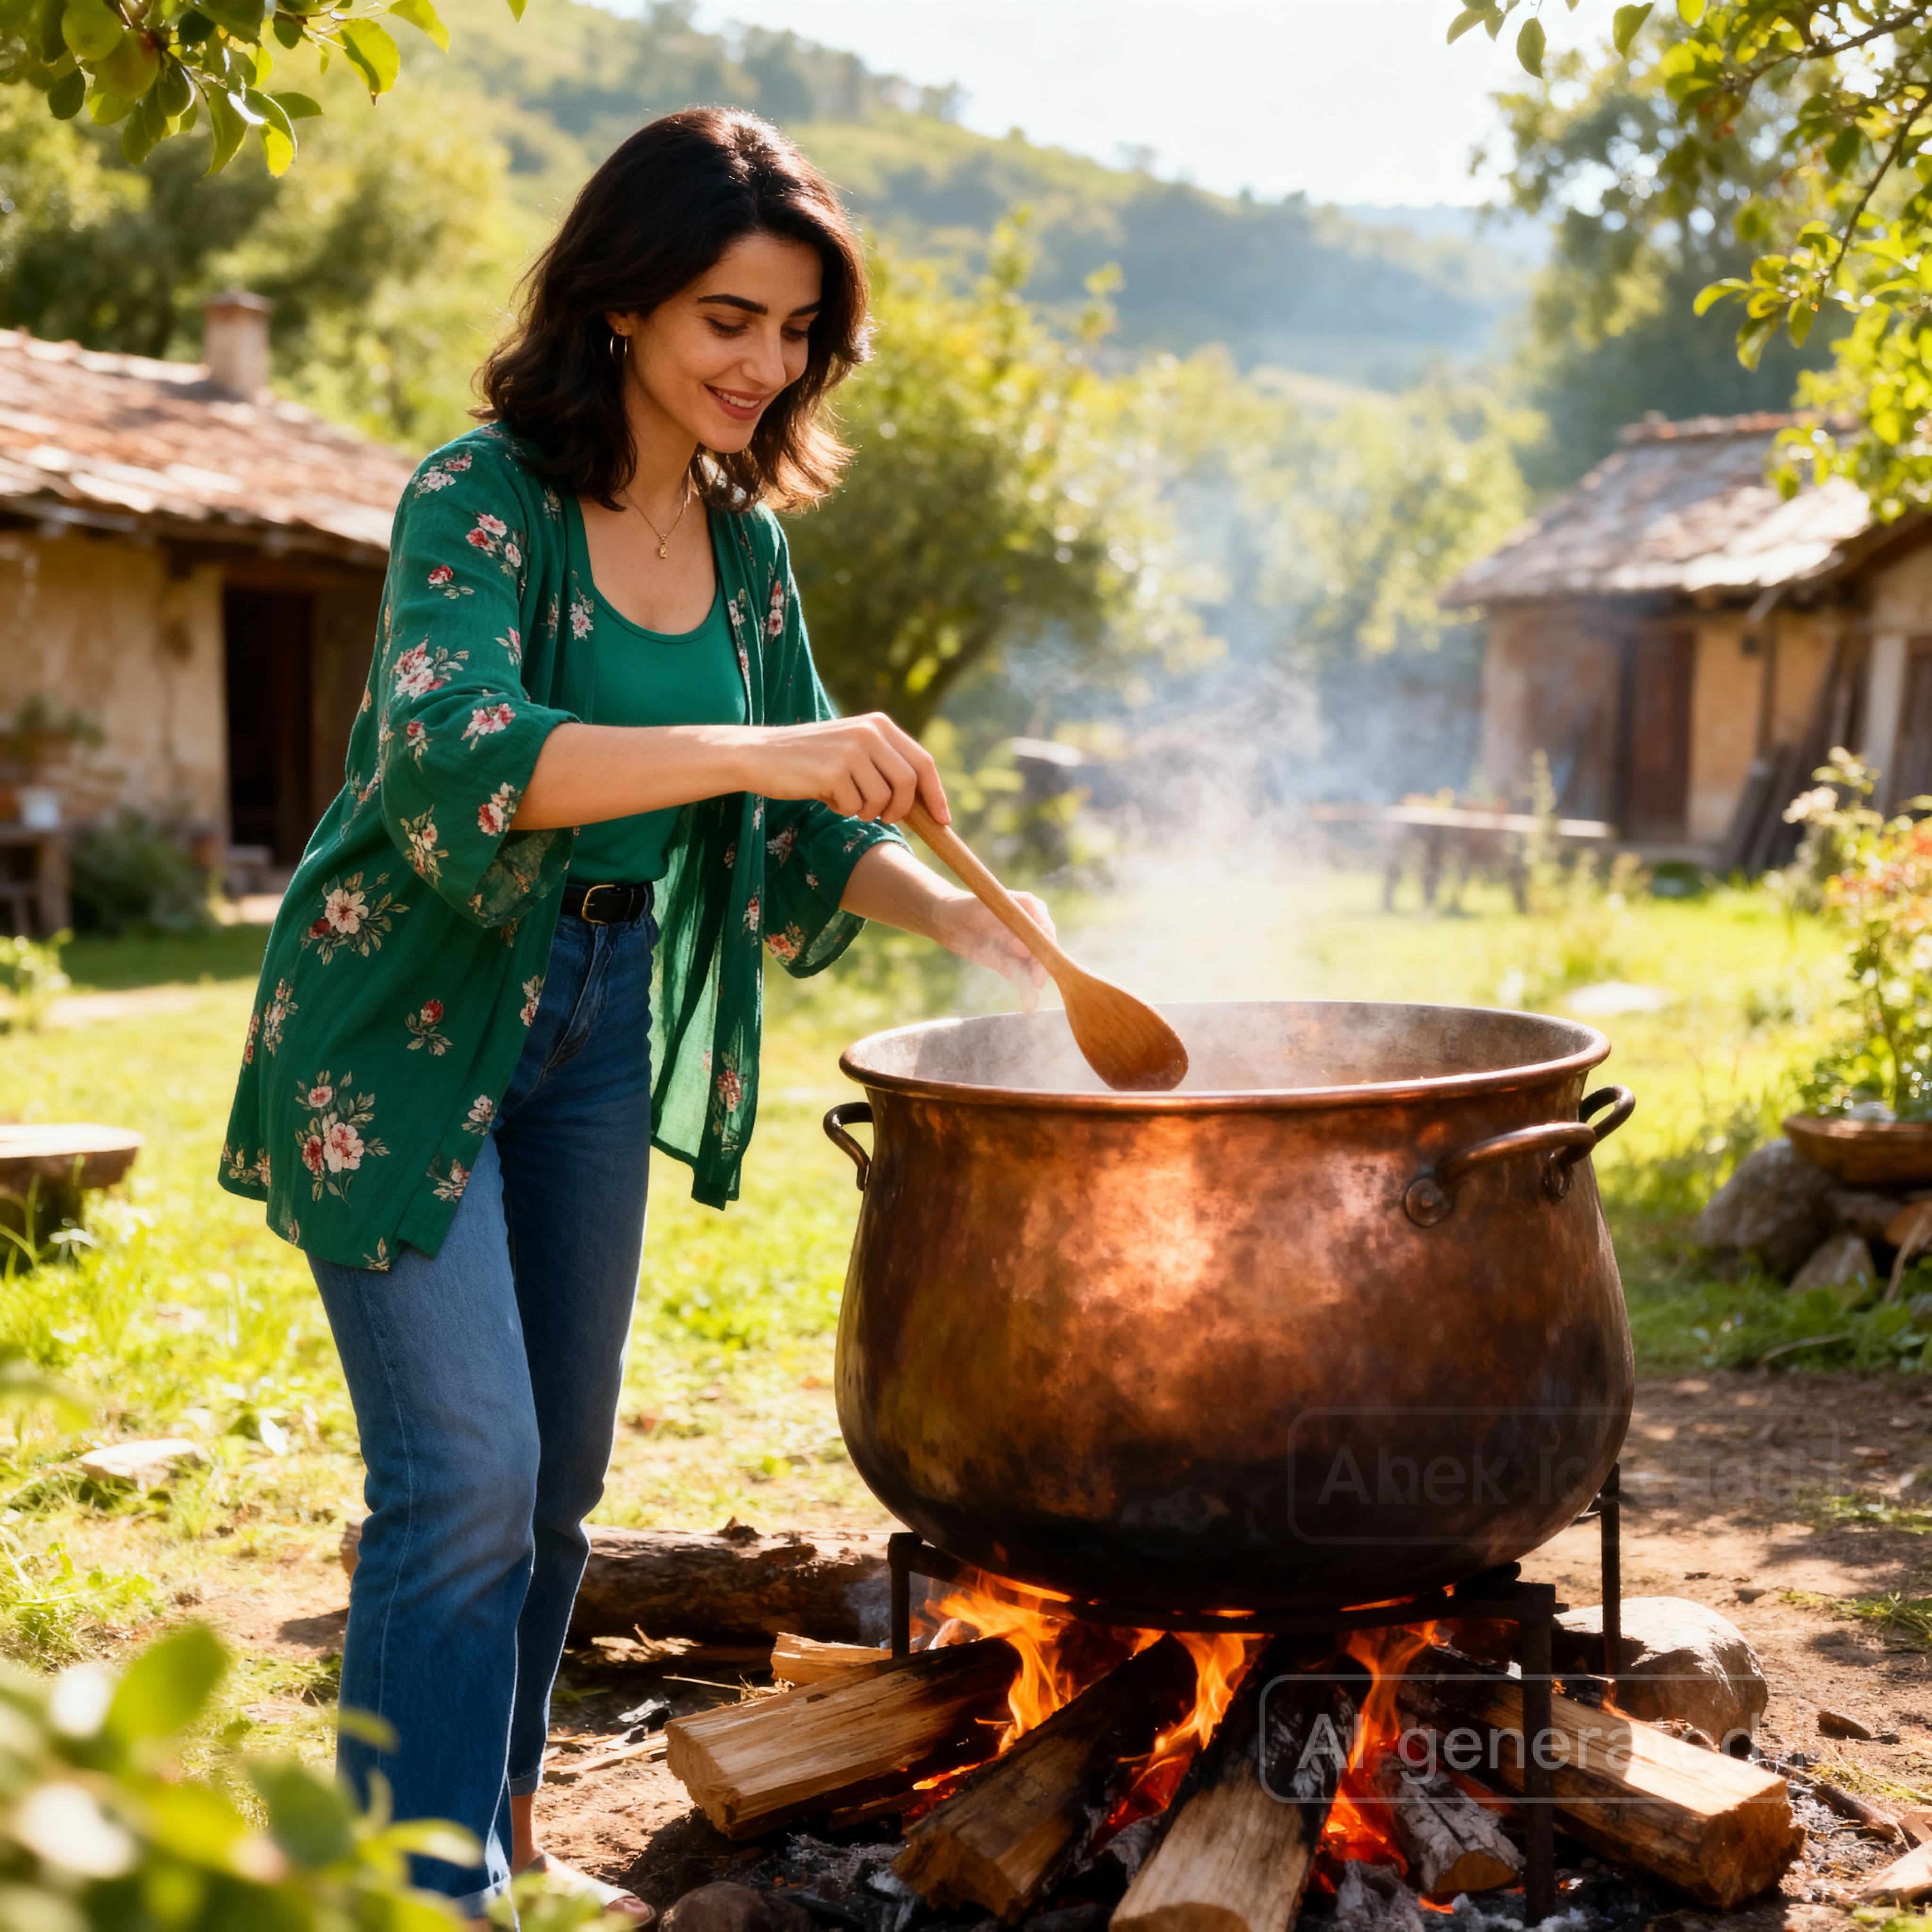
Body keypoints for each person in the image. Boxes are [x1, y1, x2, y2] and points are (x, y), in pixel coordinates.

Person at [218, 105, 1049, 1921]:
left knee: (564, 1480)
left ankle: (492, 1837)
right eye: (726, 318)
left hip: (598, 1014)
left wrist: (993, 935)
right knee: (469, 1481)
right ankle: (405, 1887)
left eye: (795, 330)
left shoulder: (745, 549)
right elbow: (463, 759)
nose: (765, 363)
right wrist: (777, 747)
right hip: (400, 1022)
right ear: (622, 307)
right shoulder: (479, 498)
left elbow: (798, 837)